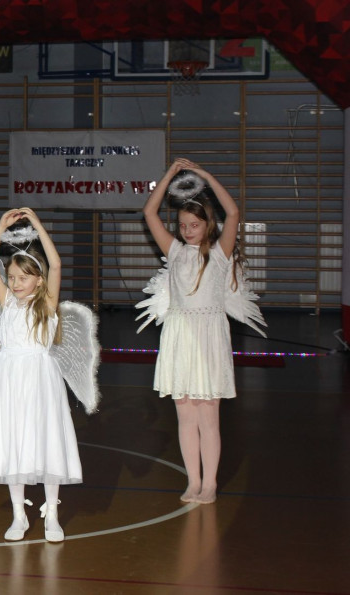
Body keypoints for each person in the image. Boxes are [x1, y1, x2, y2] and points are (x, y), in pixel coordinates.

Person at [0, 207, 82, 543]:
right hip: (9, 380)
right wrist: (1, 228)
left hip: (38, 378)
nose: (15, 283)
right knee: (14, 441)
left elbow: (57, 263)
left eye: (23, 278)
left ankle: (52, 514)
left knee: (44, 439)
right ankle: (19, 514)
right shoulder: (7, 302)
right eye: (13, 278)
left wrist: (36, 225)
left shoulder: (46, 304)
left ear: (39, 279)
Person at [140, 158, 246, 505]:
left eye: (195, 224)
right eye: (183, 225)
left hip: (208, 337)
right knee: (185, 414)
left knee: (208, 415)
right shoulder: (174, 252)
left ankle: (210, 483)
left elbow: (232, 212)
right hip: (179, 335)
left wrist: (203, 175)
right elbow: (150, 213)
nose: (187, 230)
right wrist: (169, 175)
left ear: (206, 224)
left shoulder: (218, 254)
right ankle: (193, 481)